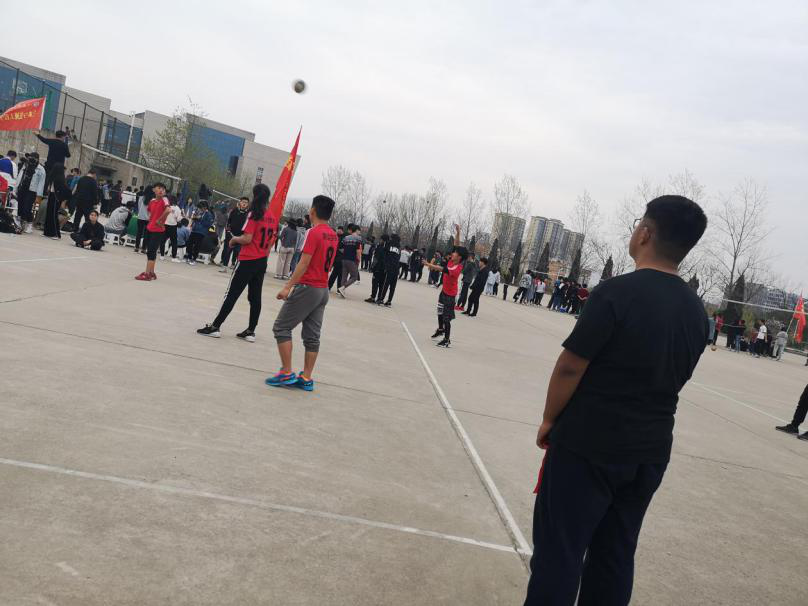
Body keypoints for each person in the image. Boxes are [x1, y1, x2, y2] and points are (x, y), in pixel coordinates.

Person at [523, 195, 708, 606]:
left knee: (560, 554)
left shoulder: (616, 293)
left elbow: (571, 366)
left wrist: (550, 419)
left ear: (645, 234)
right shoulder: (697, 312)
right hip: (649, 450)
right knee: (615, 555)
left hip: (588, 444)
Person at [266, 195, 338, 392]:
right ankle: (306, 377)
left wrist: (288, 286)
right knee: (312, 336)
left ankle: (286, 372)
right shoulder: (333, 235)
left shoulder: (313, 232)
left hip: (308, 287)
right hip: (322, 289)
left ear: (312, 211)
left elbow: (304, 262)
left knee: (281, 327)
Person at [197, 184, 277, 342]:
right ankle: (251, 331)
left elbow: (247, 238)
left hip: (248, 260)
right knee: (255, 297)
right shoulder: (272, 217)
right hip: (261, 261)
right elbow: (271, 242)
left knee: (232, 294)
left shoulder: (254, 214)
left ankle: (215, 326)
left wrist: (234, 240)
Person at [422, 225, 464, 348]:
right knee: (439, 311)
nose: (453, 254)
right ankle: (440, 329)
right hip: (444, 292)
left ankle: (447, 340)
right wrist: (458, 232)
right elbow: (457, 244)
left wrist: (429, 264)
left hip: (450, 296)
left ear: (459, 257)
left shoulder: (457, 268)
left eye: (455, 253)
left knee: (446, 318)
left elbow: (441, 269)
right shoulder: (452, 260)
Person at [134, 183, 171, 281]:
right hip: (150, 228)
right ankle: (151, 272)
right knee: (150, 251)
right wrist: (152, 220)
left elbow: (168, 210)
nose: (161, 190)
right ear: (154, 189)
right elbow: (150, 212)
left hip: (158, 230)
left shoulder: (164, 199)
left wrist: (160, 220)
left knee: (151, 251)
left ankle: (147, 274)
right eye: (159, 188)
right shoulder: (152, 201)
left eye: (163, 189)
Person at [16, 153, 45, 234]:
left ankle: (29, 224)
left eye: (34, 158)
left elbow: (41, 183)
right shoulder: (25, 165)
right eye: (30, 158)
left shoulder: (41, 169)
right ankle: (20, 224)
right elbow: (20, 176)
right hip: (22, 188)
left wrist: (39, 195)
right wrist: (16, 187)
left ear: (37, 159)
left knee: (27, 208)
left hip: (32, 191)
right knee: (20, 207)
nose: (31, 159)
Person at [220, 197, 249, 272]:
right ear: (240, 202)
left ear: (248, 204)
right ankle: (224, 267)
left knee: (237, 252)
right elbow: (228, 222)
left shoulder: (248, 214)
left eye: (246, 202)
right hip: (231, 234)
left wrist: (244, 235)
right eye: (243, 202)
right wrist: (228, 231)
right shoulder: (234, 211)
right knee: (228, 251)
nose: (244, 203)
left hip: (241, 236)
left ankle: (235, 266)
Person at [43, 163, 71, 239]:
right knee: (49, 214)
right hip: (52, 196)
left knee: (54, 215)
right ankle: (47, 232)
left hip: (56, 198)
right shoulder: (54, 177)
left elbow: (62, 190)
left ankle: (56, 234)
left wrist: (62, 200)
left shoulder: (60, 178)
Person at [376, 233, 402, 306]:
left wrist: (385, 265)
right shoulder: (399, 247)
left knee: (386, 284)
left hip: (389, 267)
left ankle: (381, 299)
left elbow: (384, 254)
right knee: (393, 286)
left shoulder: (388, 244)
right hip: (396, 268)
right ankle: (389, 301)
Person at [338, 224, 362, 297]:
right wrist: (359, 259)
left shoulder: (346, 238)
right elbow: (358, 251)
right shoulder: (358, 238)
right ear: (356, 230)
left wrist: (345, 252)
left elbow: (340, 247)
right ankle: (343, 288)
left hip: (344, 259)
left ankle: (342, 292)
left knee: (344, 276)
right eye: (359, 230)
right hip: (352, 260)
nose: (359, 232)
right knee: (354, 276)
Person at [160, 196, 184, 261]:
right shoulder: (177, 208)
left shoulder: (167, 207)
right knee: (174, 242)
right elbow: (178, 219)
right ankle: (173, 257)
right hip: (173, 226)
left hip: (165, 225)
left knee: (163, 240)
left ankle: (162, 256)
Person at [134, 186, 153, 253]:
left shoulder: (141, 198)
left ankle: (136, 247)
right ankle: (143, 249)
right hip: (148, 219)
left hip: (140, 217)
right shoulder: (152, 200)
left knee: (139, 233)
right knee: (146, 234)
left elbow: (139, 207)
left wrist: (141, 213)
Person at [328, 226, 346, 291]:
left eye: (340, 230)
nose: (339, 231)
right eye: (338, 229)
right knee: (335, 273)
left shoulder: (344, 238)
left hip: (340, 258)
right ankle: (330, 286)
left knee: (339, 274)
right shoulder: (335, 236)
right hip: (334, 257)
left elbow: (342, 247)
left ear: (342, 231)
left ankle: (337, 288)